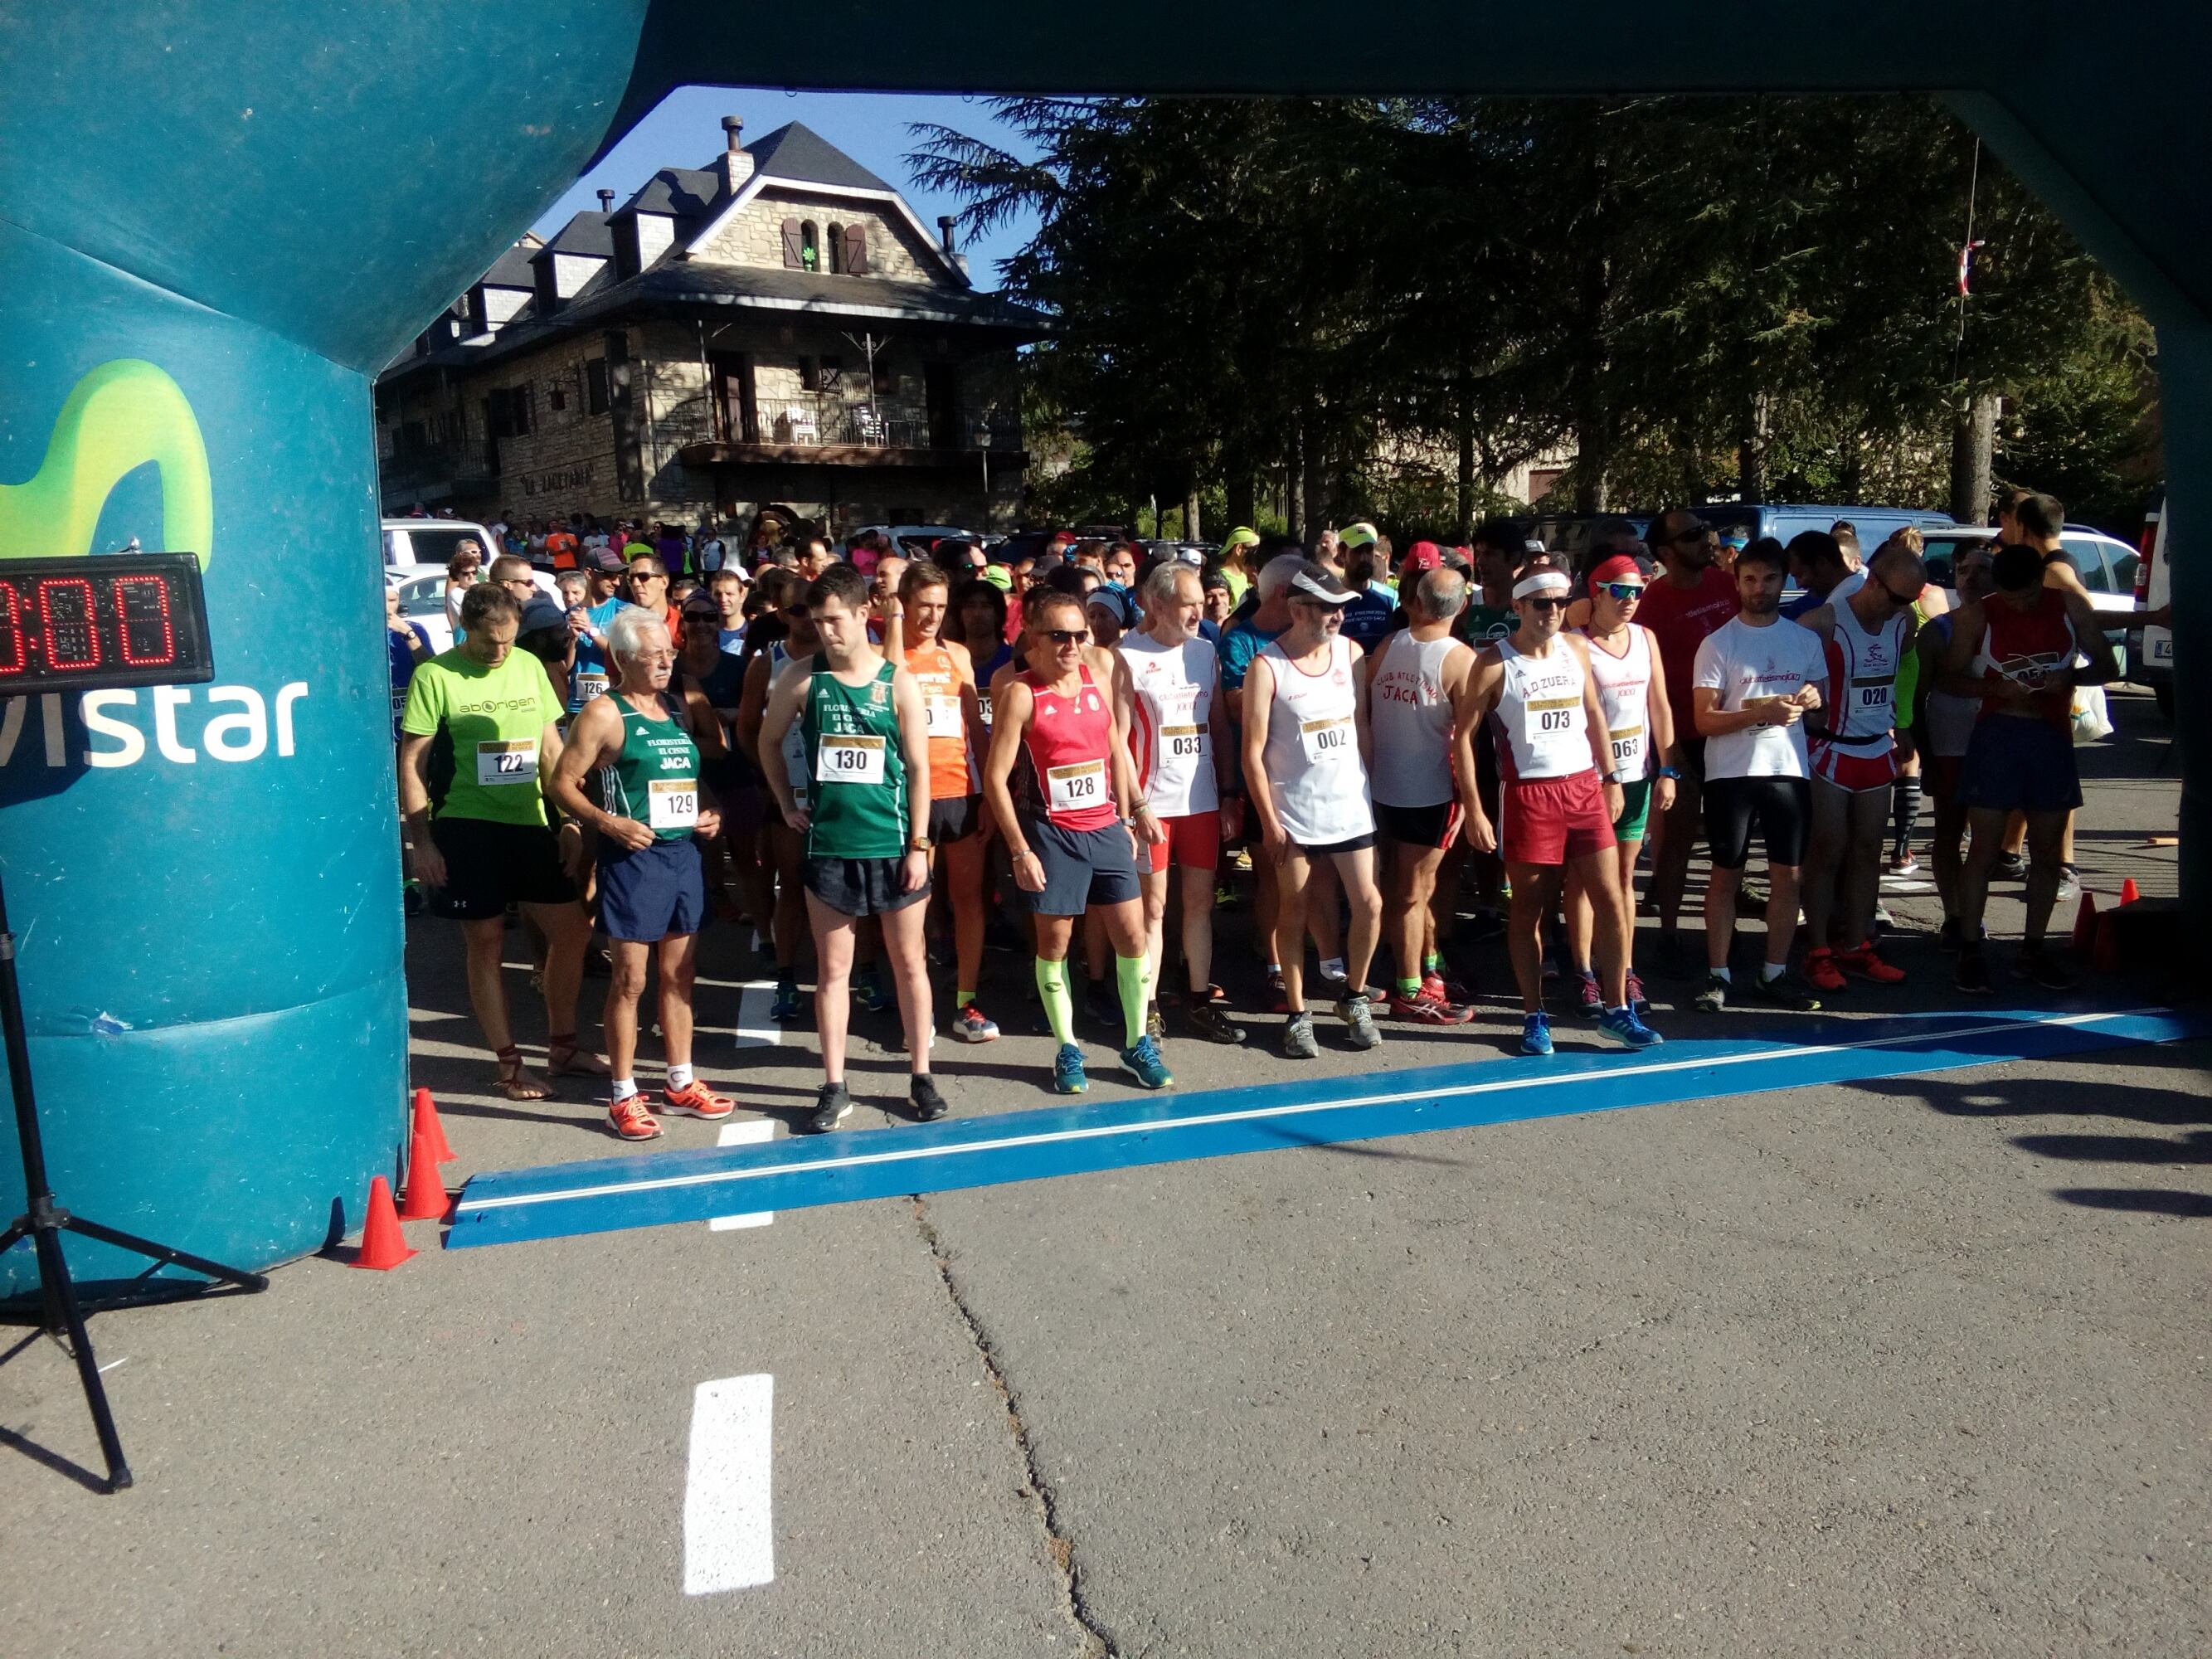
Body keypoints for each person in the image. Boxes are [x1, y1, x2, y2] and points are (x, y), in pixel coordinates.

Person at [399, 585, 606, 1102]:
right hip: (465, 823)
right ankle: (510, 1065)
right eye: (489, 641)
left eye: (508, 640)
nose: (499, 651)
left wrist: (568, 819)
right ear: (465, 627)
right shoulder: (435, 675)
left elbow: (550, 749)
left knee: (573, 934)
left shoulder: (529, 666)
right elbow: (413, 762)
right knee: (487, 942)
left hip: (529, 820)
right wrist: (422, 841)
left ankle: (562, 1047)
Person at [759, 565, 946, 1130]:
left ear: (864, 614)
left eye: (835, 620)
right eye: (817, 622)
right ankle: (835, 1085)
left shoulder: (897, 681)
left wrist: (919, 845)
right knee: (833, 971)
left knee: (909, 963)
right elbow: (768, 741)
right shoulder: (801, 678)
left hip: (892, 842)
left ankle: (921, 1075)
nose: (826, 631)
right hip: (830, 846)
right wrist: (787, 802)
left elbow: (919, 769)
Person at [1459, 565, 1659, 1055]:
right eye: (1542, 603)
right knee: (1529, 908)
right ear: (1519, 607)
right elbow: (1462, 737)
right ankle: (1534, 1015)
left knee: (1611, 898)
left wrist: (1611, 777)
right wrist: (1474, 809)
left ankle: (1617, 1009)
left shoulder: (1576, 648)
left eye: (1561, 602)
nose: (1553, 611)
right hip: (1528, 795)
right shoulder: (1493, 663)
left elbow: (1593, 713)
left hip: (1584, 787)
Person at [548, 609, 733, 1139]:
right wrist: (609, 823)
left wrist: (711, 810)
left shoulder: (676, 707)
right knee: (631, 980)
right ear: (625, 658)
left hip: (682, 855)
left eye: (669, 654)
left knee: (680, 975)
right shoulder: (605, 713)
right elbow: (562, 782)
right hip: (633, 860)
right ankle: (623, 1095)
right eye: (654, 656)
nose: (666, 663)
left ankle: (680, 1082)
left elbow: (690, 777)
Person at [983, 587, 1172, 1094]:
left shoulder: (1097, 677)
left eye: (1079, 634)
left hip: (1106, 826)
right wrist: (1020, 849)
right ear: (1034, 639)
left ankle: (1136, 1043)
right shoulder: (1021, 693)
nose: (1071, 645)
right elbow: (996, 778)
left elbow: (1115, 749)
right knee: (1056, 945)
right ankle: (1067, 1047)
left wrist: (1135, 811)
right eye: (1058, 635)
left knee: (1132, 938)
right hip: (1051, 835)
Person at [1941, 536, 2117, 993]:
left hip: (2050, 739)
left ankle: (2033, 950)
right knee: (1983, 849)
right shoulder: (1980, 615)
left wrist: (2072, 676)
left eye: (2029, 598)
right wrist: (1993, 689)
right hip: (1998, 737)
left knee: (2047, 852)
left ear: (2043, 581)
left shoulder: (2069, 606)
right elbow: (1948, 679)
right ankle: (1970, 950)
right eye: (2011, 599)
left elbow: (2109, 666)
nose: (2019, 608)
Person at [1242, 562, 1387, 1058]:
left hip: (1349, 805)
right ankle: (1298, 1014)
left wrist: (1368, 785)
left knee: (1369, 904)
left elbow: (1361, 723)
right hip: (1295, 812)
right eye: (1328, 608)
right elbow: (1252, 752)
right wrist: (1268, 820)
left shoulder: (1352, 653)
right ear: (1299, 609)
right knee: (1295, 909)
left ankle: (1354, 998)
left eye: (1342, 608)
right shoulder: (1268, 666)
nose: (1338, 617)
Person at [1689, 538, 1829, 1013]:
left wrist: (1814, 699)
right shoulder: (1718, 643)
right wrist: (1761, 713)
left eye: (1769, 579)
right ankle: (1718, 973)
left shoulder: (1804, 640)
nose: (1759, 588)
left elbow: (1819, 707)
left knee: (1788, 876)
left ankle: (1774, 973)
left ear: (1784, 581)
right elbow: (1704, 720)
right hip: (1732, 774)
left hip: (1788, 771)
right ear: (1737, 582)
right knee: (1726, 874)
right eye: (1750, 579)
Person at [1119, 561, 1245, 1044]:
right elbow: (1118, 742)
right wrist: (1134, 807)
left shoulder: (1205, 650)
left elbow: (1219, 728)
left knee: (1199, 904)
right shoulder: (1126, 655)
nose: (1198, 613)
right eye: (1187, 604)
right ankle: (1148, 1008)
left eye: (1200, 603)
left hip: (1202, 802)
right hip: (1153, 803)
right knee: (1153, 908)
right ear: (1156, 604)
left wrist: (1229, 794)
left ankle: (1198, 1001)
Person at [1796, 538, 1928, 993]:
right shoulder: (1822, 623)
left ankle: (1857, 943)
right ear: (1872, 581)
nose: (1902, 608)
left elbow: (1906, 669)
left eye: (1910, 600)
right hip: (1829, 750)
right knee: (1827, 850)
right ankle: (1818, 950)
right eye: (1897, 598)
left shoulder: (1903, 621)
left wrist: (1903, 721)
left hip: (1875, 749)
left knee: (1869, 850)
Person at [1563, 553, 1677, 1016]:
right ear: (1597, 593)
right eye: (1619, 591)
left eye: (1637, 591)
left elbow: (1660, 706)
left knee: (1625, 876)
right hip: (1590, 779)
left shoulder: (1645, 638)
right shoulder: (1576, 644)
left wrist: (1668, 770)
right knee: (1584, 879)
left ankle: (1624, 967)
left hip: (1637, 776)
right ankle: (1585, 971)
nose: (1630, 600)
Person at [1366, 567, 1481, 1024]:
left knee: (1412, 886)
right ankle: (1410, 988)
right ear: (1463, 607)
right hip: (1430, 791)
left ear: (1416, 601)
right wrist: (1472, 802)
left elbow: (1364, 704)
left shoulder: (1387, 645)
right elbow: (1468, 740)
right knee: (1412, 892)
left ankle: (1427, 968)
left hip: (1383, 785)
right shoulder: (1461, 660)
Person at [894, 562, 999, 1043]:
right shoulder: (886, 655)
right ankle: (917, 1009)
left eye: (940, 606)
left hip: (961, 790)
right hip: (908, 797)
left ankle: (966, 1002)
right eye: (923, 606)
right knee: (913, 906)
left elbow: (975, 728)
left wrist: (990, 796)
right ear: (904, 605)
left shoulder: (957, 654)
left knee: (968, 900)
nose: (932, 616)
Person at [1637, 510, 1742, 976]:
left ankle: (1723, 933)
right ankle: (1669, 933)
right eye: (1693, 534)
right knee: (1677, 839)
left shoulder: (1725, 584)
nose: (1707, 539)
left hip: (1732, 732)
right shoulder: (1652, 604)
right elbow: (1644, 682)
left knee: (1730, 838)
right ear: (1665, 552)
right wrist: (1666, 748)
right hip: (1682, 738)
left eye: (1706, 530)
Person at [739, 574, 823, 1022]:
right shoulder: (766, 664)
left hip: (842, 792)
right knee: (792, 883)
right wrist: (775, 784)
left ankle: (865, 972)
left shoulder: (843, 658)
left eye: (816, 607)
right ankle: (787, 977)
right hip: (790, 795)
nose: (808, 618)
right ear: (782, 614)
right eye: (797, 610)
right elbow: (747, 731)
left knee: (847, 887)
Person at [1912, 541, 1993, 951]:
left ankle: (1973, 913)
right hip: (1949, 745)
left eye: (1982, 570)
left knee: (1986, 838)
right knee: (1948, 831)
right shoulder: (1936, 631)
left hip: (1997, 745)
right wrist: (1925, 757)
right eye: (1963, 571)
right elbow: (1916, 699)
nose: (1971, 578)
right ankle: (1954, 915)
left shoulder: (2007, 626)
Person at [386, 585, 432, 740]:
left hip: (409, 715)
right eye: (382, 600)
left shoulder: (415, 629)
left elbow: (430, 669)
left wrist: (408, 634)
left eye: (392, 600)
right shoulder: (360, 632)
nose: (387, 607)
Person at [443, 541, 484, 639]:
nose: (471, 576)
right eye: (466, 574)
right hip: (466, 636)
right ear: (457, 575)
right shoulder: (456, 593)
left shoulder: (479, 585)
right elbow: (474, 615)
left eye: (474, 572)